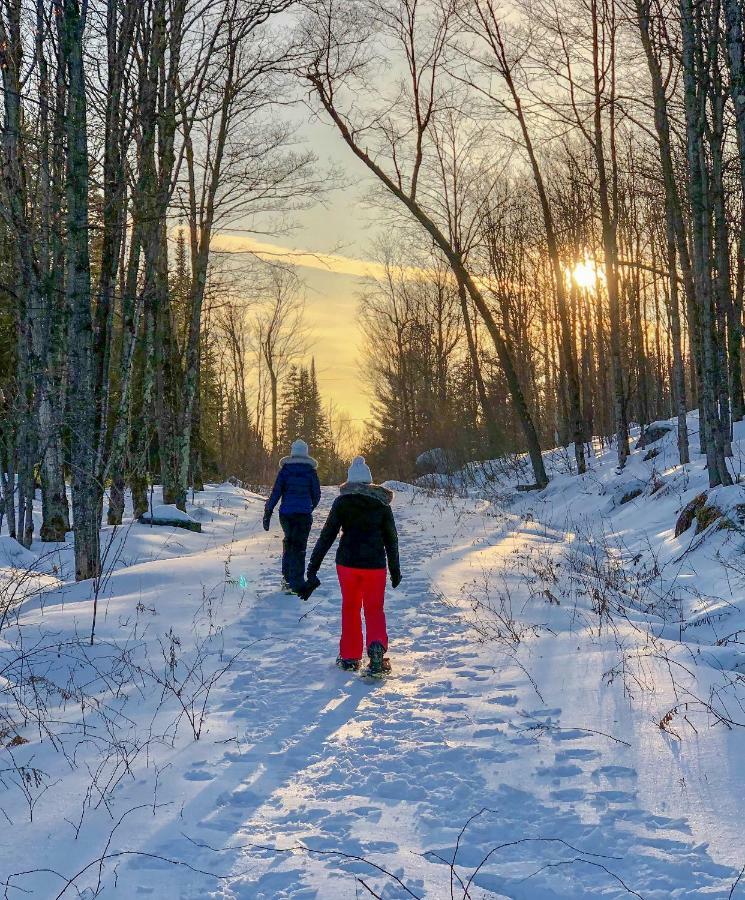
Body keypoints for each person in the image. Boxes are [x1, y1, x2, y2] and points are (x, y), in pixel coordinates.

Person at [304, 456, 401, 675]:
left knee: (350, 607)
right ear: (369, 482)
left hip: (347, 564)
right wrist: (395, 569)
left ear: (349, 481)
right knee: (374, 608)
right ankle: (376, 648)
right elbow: (391, 538)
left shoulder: (342, 503)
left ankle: (349, 657)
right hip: (375, 565)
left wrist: (313, 566)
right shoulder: (381, 503)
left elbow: (327, 536)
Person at [263, 439, 321, 593]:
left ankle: (287, 580)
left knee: (289, 543)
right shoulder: (311, 472)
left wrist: (268, 510)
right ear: (305, 453)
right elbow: (316, 494)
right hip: (303, 514)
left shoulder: (285, 471)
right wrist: (310, 507)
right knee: (299, 546)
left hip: (286, 514)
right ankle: (297, 582)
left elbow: (276, 492)